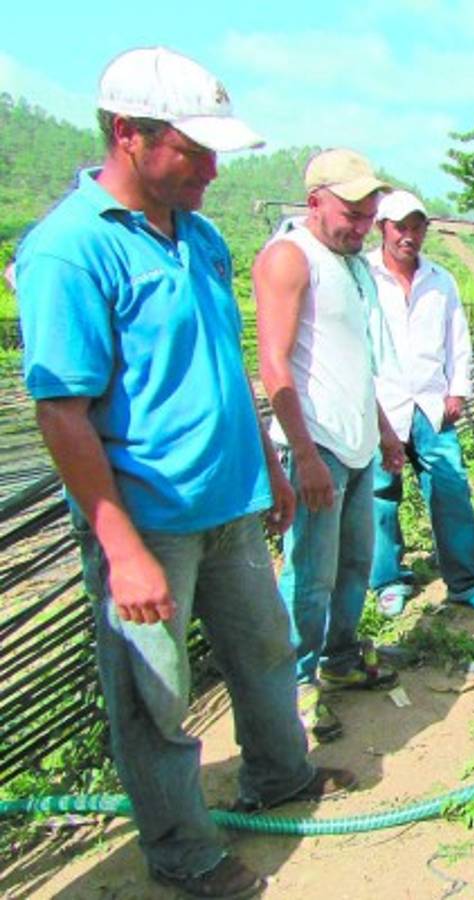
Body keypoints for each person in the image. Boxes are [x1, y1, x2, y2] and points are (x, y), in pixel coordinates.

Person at [16, 46, 353, 899]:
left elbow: (220, 364)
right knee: (154, 701)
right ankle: (181, 851)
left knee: (266, 653)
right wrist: (120, 549)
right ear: (128, 136)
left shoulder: (200, 238)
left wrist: (267, 470)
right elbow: (62, 412)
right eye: (194, 149)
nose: (212, 167)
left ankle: (279, 777)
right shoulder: (70, 251)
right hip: (151, 520)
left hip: (232, 501)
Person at [254, 149, 406, 744]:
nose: (362, 224)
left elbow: (354, 365)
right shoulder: (291, 257)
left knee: (353, 565)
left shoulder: (349, 265)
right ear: (315, 200)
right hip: (315, 445)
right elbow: (274, 364)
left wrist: (386, 433)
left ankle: (339, 659)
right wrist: (306, 456)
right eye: (352, 212)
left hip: (357, 444)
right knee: (309, 573)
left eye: (370, 213)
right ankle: (293, 684)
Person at [366, 190, 474, 615]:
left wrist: (457, 389)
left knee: (450, 489)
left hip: (430, 402)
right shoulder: (361, 276)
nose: (409, 236)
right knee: (380, 494)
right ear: (381, 228)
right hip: (380, 403)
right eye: (400, 227)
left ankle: (464, 582)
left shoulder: (441, 280)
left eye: (416, 227)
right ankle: (388, 580)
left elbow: (457, 339)